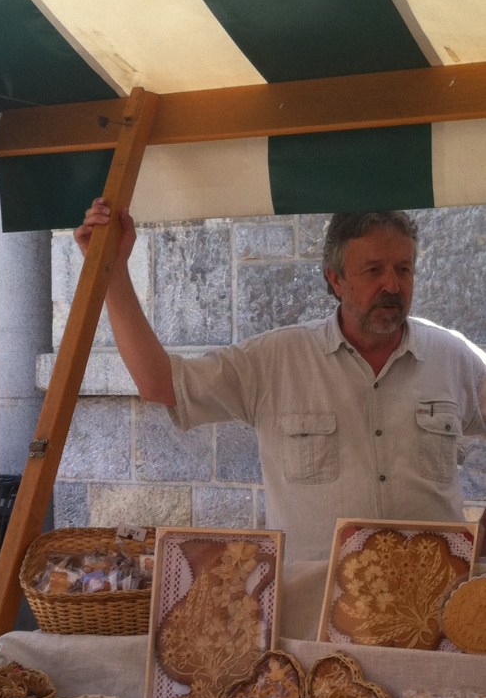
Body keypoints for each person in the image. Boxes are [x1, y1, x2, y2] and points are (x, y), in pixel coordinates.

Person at [74, 199, 486, 565]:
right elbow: (160, 383)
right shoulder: (276, 360)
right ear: (336, 279)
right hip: (311, 629)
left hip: (437, 623)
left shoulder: (454, 357)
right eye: (374, 270)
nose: (392, 285)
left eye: (403, 269)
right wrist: (112, 274)